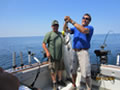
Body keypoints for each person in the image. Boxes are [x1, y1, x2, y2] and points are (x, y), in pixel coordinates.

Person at [63, 13, 94, 90]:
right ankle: (74, 85)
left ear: (89, 21)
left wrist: (71, 20)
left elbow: (83, 30)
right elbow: (65, 30)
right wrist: (66, 22)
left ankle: (89, 88)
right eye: (83, 18)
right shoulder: (76, 28)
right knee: (73, 71)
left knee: (86, 74)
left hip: (83, 52)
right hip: (73, 52)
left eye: (87, 19)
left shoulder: (90, 28)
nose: (85, 19)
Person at [42, 20, 66, 90]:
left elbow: (65, 30)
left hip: (61, 56)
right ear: (52, 26)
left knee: (60, 69)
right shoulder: (49, 34)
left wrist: (66, 22)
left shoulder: (61, 34)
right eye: (54, 25)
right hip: (52, 56)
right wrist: (47, 52)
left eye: (57, 25)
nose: (55, 27)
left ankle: (60, 80)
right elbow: (43, 44)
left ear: (58, 26)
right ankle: (54, 83)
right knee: (53, 71)